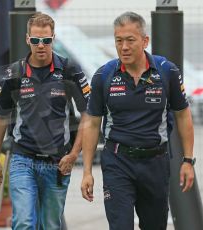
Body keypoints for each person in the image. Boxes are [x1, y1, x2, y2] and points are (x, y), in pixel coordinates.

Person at [81, 11, 195, 230]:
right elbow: (93, 122)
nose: (124, 47)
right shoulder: (104, 75)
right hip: (117, 162)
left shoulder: (166, 71)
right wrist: (87, 171)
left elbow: (183, 114)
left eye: (130, 40)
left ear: (145, 41)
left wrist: (188, 161)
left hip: (156, 163)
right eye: (118, 40)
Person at [0, 12, 90, 229]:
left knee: (51, 225)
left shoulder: (69, 69)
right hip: (22, 159)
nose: (41, 45)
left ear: (53, 38)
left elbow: (88, 117)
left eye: (46, 40)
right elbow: (0, 116)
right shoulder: (14, 72)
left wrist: (74, 154)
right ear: (28, 40)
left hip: (58, 162)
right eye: (35, 40)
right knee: (24, 222)